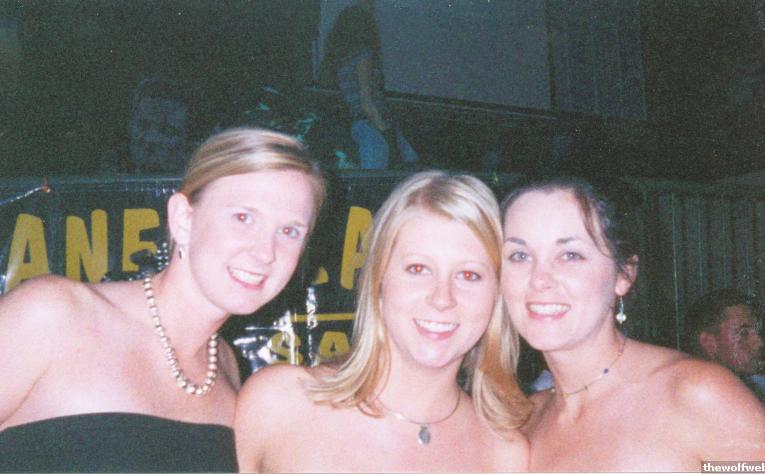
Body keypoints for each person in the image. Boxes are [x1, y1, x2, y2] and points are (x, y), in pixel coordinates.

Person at [0, 128, 326, 472]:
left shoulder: (225, 368)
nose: (265, 252)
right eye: (243, 217)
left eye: (289, 231)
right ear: (183, 219)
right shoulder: (53, 316)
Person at [235, 171, 530, 472]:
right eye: (418, 269)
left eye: (469, 275)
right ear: (378, 279)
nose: (442, 298)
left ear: (497, 294)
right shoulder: (279, 403)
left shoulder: (505, 456)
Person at [500, 176, 765, 471]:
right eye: (519, 255)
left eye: (570, 255)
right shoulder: (525, 424)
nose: (539, 279)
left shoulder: (693, 394)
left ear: (623, 274)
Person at [686, 288, 765, 442]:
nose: (759, 342)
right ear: (709, 342)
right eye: (743, 333)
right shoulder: (686, 400)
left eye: (757, 332)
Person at [321, 0, 419, 170]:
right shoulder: (363, 56)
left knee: (388, 173)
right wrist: (387, 134)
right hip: (373, 125)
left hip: (362, 124)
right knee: (394, 174)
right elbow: (367, 103)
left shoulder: (342, 60)